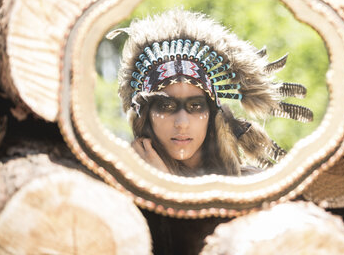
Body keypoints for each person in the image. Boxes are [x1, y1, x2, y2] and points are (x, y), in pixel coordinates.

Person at [109, 9, 312, 176]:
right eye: (166, 106)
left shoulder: (253, 185)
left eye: (195, 106)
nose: (182, 122)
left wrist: (164, 183)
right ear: (146, 116)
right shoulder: (118, 188)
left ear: (212, 114)